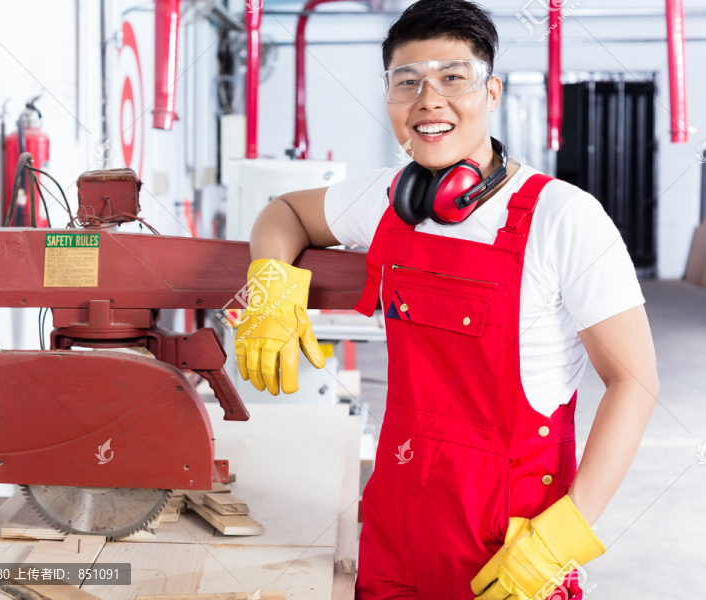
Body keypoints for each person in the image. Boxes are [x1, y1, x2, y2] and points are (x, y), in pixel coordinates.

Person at [233, 1, 660, 598]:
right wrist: (270, 286)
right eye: (407, 83)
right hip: (395, 529)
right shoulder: (389, 197)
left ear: (492, 92)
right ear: (389, 101)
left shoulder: (564, 217)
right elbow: (282, 213)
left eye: (452, 78)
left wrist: (562, 538)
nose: (428, 100)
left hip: (512, 547)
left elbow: (635, 383)